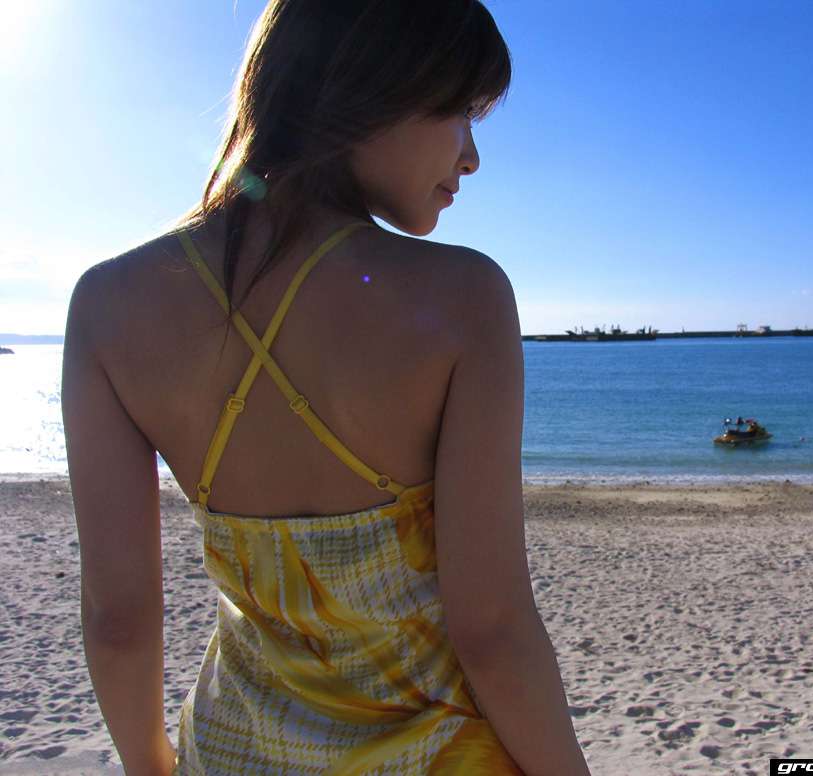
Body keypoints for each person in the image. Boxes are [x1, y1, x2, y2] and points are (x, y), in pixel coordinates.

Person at [60, 2, 591, 774]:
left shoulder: (106, 304)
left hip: (231, 753)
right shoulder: (464, 297)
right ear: (370, 87)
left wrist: (151, 764)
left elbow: (118, 617)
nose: (472, 157)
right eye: (459, 114)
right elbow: (494, 628)